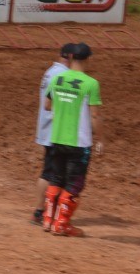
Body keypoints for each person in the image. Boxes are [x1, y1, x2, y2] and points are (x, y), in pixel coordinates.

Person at [41, 45, 101, 238]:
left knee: (56, 178)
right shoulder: (91, 83)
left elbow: (47, 105)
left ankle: (48, 220)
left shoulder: (57, 78)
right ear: (87, 59)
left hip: (56, 137)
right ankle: (62, 224)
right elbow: (94, 116)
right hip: (79, 141)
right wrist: (100, 139)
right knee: (74, 184)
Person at [32, 43, 80, 226]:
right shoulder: (61, 75)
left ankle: (45, 210)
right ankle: (40, 211)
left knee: (51, 170)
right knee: (50, 172)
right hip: (55, 130)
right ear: (69, 57)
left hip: (48, 128)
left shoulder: (51, 71)